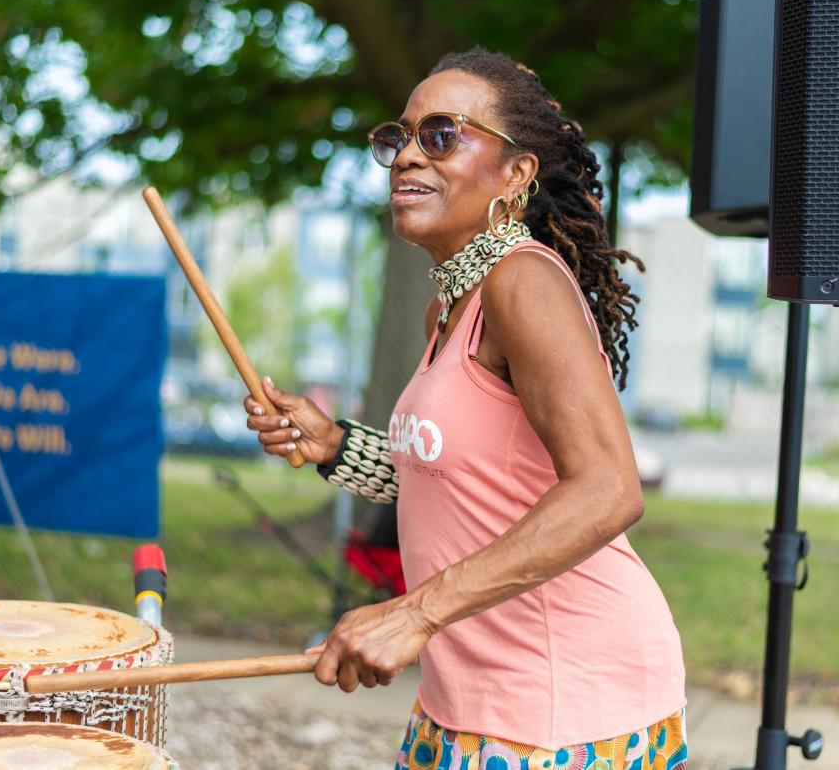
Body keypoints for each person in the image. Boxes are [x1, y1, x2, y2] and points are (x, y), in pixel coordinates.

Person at [244, 46, 687, 770]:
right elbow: (459, 482)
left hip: (562, 707)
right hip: (465, 701)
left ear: (516, 173)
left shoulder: (525, 285)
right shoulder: (452, 306)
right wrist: (332, 448)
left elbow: (610, 488)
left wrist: (412, 613)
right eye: (400, 137)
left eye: (441, 134)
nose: (406, 157)